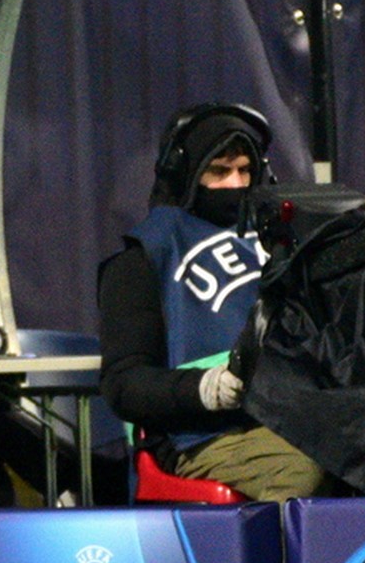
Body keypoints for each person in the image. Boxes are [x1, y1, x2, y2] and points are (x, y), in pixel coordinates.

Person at [98, 102, 335, 501]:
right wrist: (208, 388)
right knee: (306, 465)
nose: (236, 184)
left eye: (245, 170)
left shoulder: (284, 244)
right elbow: (124, 385)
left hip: (297, 418)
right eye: (219, 172)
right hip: (201, 436)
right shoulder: (141, 261)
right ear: (186, 174)